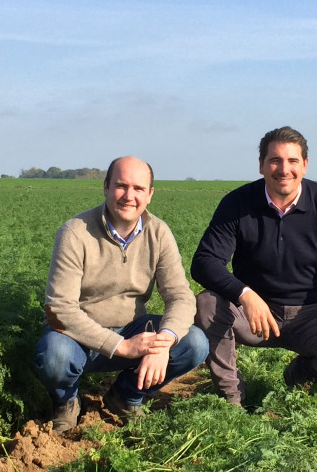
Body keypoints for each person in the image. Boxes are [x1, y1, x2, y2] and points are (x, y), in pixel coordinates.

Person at [191, 126, 317, 407]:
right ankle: (231, 398)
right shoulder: (238, 204)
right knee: (207, 304)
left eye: (292, 161)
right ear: (261, 165)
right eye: (275, 160)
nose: (283, 169)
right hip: (254, 313)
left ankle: (300, 374)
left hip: (313, 311)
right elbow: (204, 261)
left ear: (305, 165)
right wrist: (245, 294)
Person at [35, 156, 209, 432]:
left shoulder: (159, 233)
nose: (129, 196)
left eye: (138, 188)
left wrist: (163, 342)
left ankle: (125, 396)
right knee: (55, 356)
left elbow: (181, 297)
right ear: (105, 187)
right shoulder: (75, 233)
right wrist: (122, 346)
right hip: (79, 339)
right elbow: (60, 310)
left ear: (150, 194)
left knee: (195, 343)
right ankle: (65, 401)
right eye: (121, 186)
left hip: (132, 329)